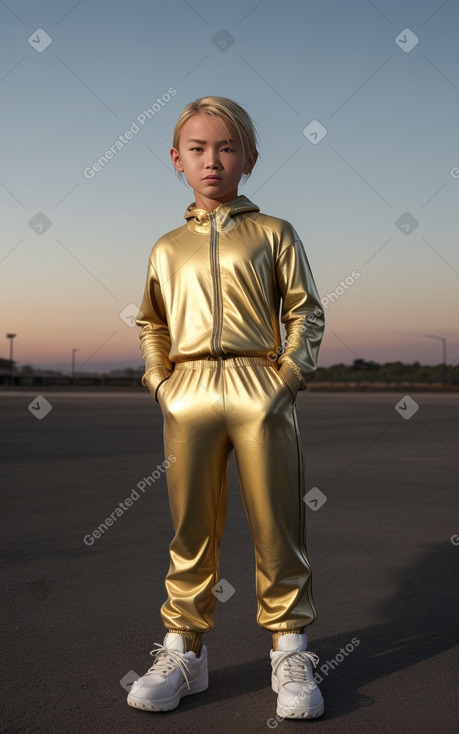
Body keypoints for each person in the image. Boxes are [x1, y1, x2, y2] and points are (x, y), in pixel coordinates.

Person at [127, 96, 325, 720]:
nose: (212, 161)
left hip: (258, 387)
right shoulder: (165, 247)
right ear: (176, 159)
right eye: (198, 149)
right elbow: (151, 322)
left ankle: (289, 649)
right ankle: (185, 650)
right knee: (191, 529)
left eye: (227, 147)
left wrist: (287, 376)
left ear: (250, 159)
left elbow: (305, 312)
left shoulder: (275, 233)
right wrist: (161, 381)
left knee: (278, 523)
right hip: (187, 393)